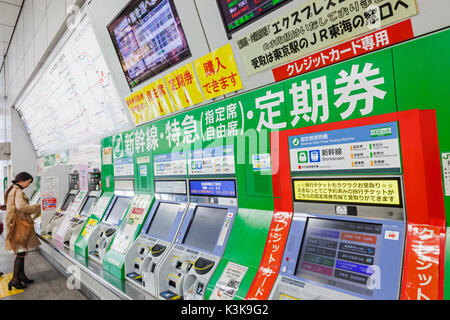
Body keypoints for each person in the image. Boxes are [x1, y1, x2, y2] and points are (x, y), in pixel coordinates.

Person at [4, 172, 41, 291]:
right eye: (28, 182)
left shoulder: (12, 190)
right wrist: (36, 207)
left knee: (22, 252)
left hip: (14, 225)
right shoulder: (18, 192)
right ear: (22, 181)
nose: (28, 185)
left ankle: (22, 276)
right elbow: (21, 207)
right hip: (19, 226)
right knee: (20, 253)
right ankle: (15, 280)